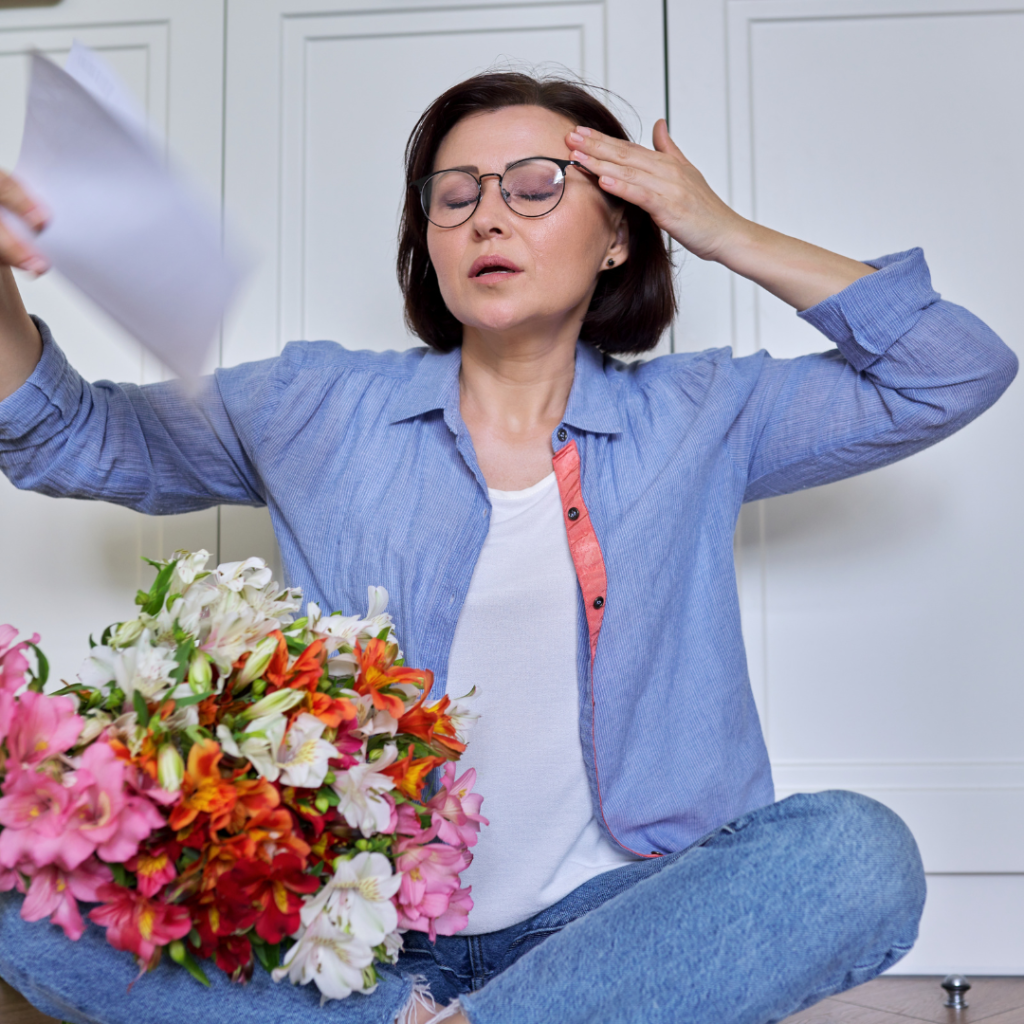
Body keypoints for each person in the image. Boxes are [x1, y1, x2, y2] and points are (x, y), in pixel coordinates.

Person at [0, 71, 1016, 1024]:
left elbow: (951, 371)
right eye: (454, 197)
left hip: (615, 924)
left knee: (857, 854)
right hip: (353, 940)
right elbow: (65, 437)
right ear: (430, 243)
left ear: (618, 231)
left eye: (537, 187)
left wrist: (720, 229)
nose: (487, 214)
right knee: (19, 873)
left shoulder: (705, 412)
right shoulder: (313, 403)